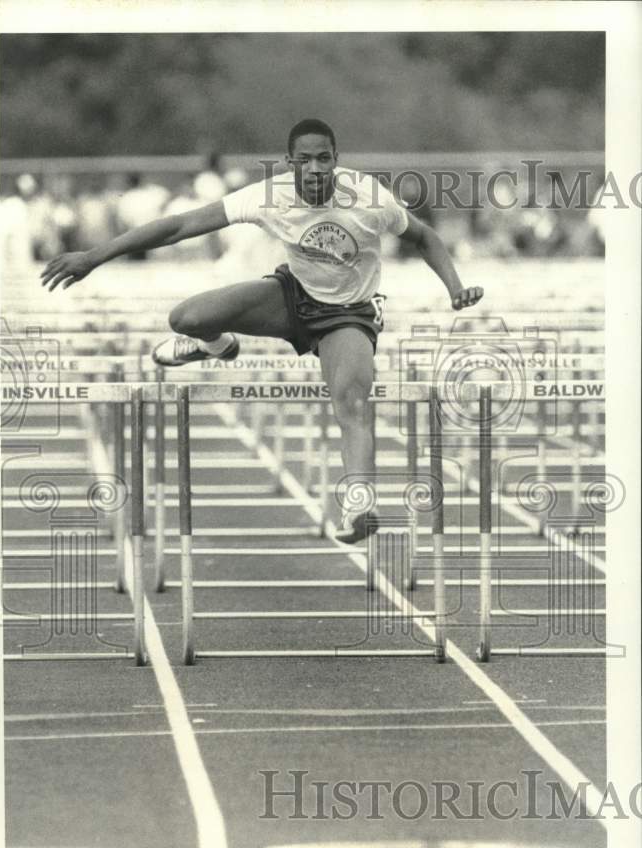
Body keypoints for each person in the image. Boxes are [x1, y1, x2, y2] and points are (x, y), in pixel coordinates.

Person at [40, 119, 484, 543]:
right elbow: (179, 226)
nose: (315, 169)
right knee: (187, 318)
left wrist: (455, 288)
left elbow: (425, 237)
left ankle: (358, 505)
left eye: (324, 159)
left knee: (351, 399)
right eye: (305, 160)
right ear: (289, 162)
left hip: (348, 313)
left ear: (336, 159)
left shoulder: (370, 198)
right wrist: (94, 256)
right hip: (293, 297)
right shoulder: (267, 196)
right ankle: (218, 345)